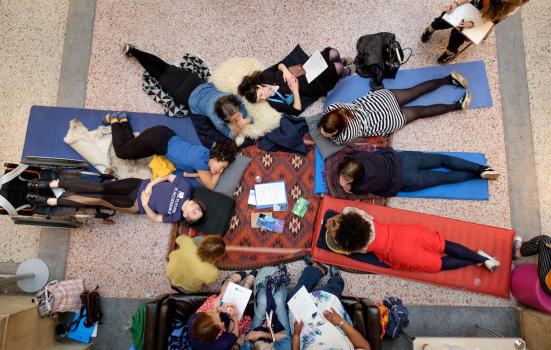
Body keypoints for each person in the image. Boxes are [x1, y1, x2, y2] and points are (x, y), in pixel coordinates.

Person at [123, 45, 252, 138]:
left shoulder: (229, 97)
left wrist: (244, 117)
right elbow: (229, 135)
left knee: (165, 67)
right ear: (224, 118)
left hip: (191, 80)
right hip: (182, 93)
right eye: (234, 119)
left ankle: (134, 50)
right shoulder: (215, 117)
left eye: (237, 116)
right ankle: (134, 52)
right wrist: (241, 124)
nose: (238, 118)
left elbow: (240, 102)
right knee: (158, 73)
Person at [325, 207, 501, 273]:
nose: (329, 224)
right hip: (405, 234)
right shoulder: (363, 218)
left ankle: (481, 259)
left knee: (438, 264)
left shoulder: (359, 248)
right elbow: (347, 210)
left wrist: (333, 231)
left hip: (399, 253)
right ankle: (482, 259)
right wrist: (334, 221)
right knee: (442, 243)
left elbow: (345, 249)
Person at [319, 71, 471, 145]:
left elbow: (340, 140)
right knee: (415, 91)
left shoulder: (344, 136)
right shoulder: (333, 107)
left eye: (326, 131)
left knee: (421, 112)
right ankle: (449, 79)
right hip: (381, 100)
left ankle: (456, 106)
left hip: (388, 121)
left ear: (337, 130)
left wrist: (330, 136)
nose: (322, 132)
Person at [105, 112, 238, 189]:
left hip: (164, 133)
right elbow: (211, 185)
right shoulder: (201, 165)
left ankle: (122, 119)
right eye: (221, 167)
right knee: (121, 153)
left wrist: (211, 171)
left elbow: (187, 174)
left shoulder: (204, 153)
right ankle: (114, 120)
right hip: (156, 141)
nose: (220, 171)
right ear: (215, 159)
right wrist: (216, 175)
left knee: (131, 147)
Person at [25, 174, 204, 224]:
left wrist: (146, 204)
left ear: (188, 217)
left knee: (100, 199)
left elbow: (155, 218)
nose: (197, 210)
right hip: (138, 185)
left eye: (196, 214)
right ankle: (53, 184)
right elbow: (168, 176)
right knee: (102, 187)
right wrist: (149, 186)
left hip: (136, 204)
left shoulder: (176, 217)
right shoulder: (186, 188)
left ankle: (54, 201)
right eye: (199, 209)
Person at [336, 147, 500, 197]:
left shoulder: (361, 186)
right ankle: (481, 169)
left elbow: (353, 190)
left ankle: (476, 176)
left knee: (444, 178)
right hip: (405, 159)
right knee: (442, 159)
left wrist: (347, 186)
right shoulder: (359, 156)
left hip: (407, 180)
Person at [238, 48, 354, 115]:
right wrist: (295, 92)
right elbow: (296, 111)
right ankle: (344, 71)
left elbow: (279, 65)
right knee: (337, 68)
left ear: (259, 86)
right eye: (260, 100)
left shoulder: (265, 76)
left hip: (304, 70)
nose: (263, 98)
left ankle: (340, 63)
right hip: (310, 86)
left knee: (332, 53)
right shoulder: (274, 103)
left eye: (261, 95)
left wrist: (285, 72)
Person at [287, 260, 371, 350]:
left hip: (306, 329)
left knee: (293, 299)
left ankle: (317, 270)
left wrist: (296, 334)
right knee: (329, 293)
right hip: (332, 322)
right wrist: (340, 322)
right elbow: (365, 347)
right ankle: (336, 279)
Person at [421, 0, 529, 63]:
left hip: (485, 19)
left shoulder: (511, 5)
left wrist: (473, 23)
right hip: (473, 7)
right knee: (447, 17)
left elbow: (492, 20)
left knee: (458, 32)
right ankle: (430, 29)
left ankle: (450, 52)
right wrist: (456, 4)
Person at [188, 271, 257, 350]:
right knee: (240, 316)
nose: (215, 310)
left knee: (221, 296)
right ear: (219, 333)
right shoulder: (224, 344)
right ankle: (246, 288)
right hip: (223, 333)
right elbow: (234, 334)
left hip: (209, 327)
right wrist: (234, 316)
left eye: (213, 312)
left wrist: (219, 307)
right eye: (220, 321)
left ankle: (228, 282)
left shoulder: (192, 320)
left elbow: (213, 309)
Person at [240, 266, 292, 350]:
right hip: (280, 337)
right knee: (278, 300)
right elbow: (285, 338)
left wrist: (262, 331)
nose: (272, 347)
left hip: (256, 340)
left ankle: (265, 280)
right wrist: (265, 334)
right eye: (272, 349)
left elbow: (245, 339)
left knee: (263, 301)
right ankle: (278, 278)